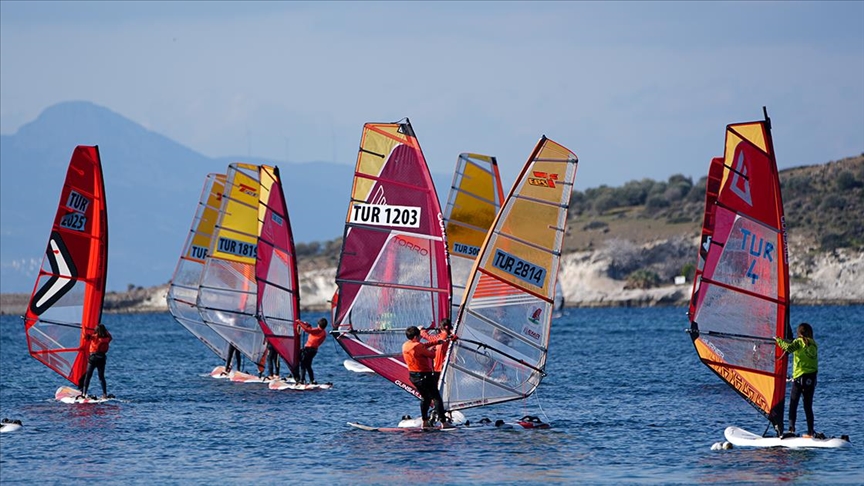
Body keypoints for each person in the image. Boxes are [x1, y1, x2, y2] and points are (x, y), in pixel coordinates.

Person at [775, 322, 819, 437]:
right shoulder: (814, 344)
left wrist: (778, 340)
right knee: (808, 406)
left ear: (799, 333)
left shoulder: (798, 342)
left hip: (800, 378)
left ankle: (791, 430)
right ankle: (810, 431)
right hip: (811, 379)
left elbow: (788, 349)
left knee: (793, 404)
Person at [402, 325, 448, 428]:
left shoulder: (406, 345)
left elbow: (422, 346)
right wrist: (435, 348)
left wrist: (435, 342)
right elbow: (432, 355)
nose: (420, 338)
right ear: (415, 337)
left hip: (413, 377)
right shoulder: (418, 346)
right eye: (419, 336)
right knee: (436, 397)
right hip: (424, 376)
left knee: (425, 398)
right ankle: (444, 423)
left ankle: (425, 421)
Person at [80, 324, 113, 399]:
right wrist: (104, 330)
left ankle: (84, 394)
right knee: (101, 377)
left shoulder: (95, 337)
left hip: (93, 358)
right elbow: (110, 337)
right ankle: (104, 394)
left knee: (88, 376)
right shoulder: (107, 338)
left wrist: (84, 327)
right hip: (102, 358)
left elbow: (85, 336)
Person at [296, 318, 328, 384]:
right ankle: (312, 380)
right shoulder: (323, 332)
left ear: (319, 325)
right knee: (308, 365)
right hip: (314, 350)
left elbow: (307, 330)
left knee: (303, 364)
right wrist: (307, 324)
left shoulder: (318, 330)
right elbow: (311, 330)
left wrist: (299, 322)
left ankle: (302, 380)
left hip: (308, 349)